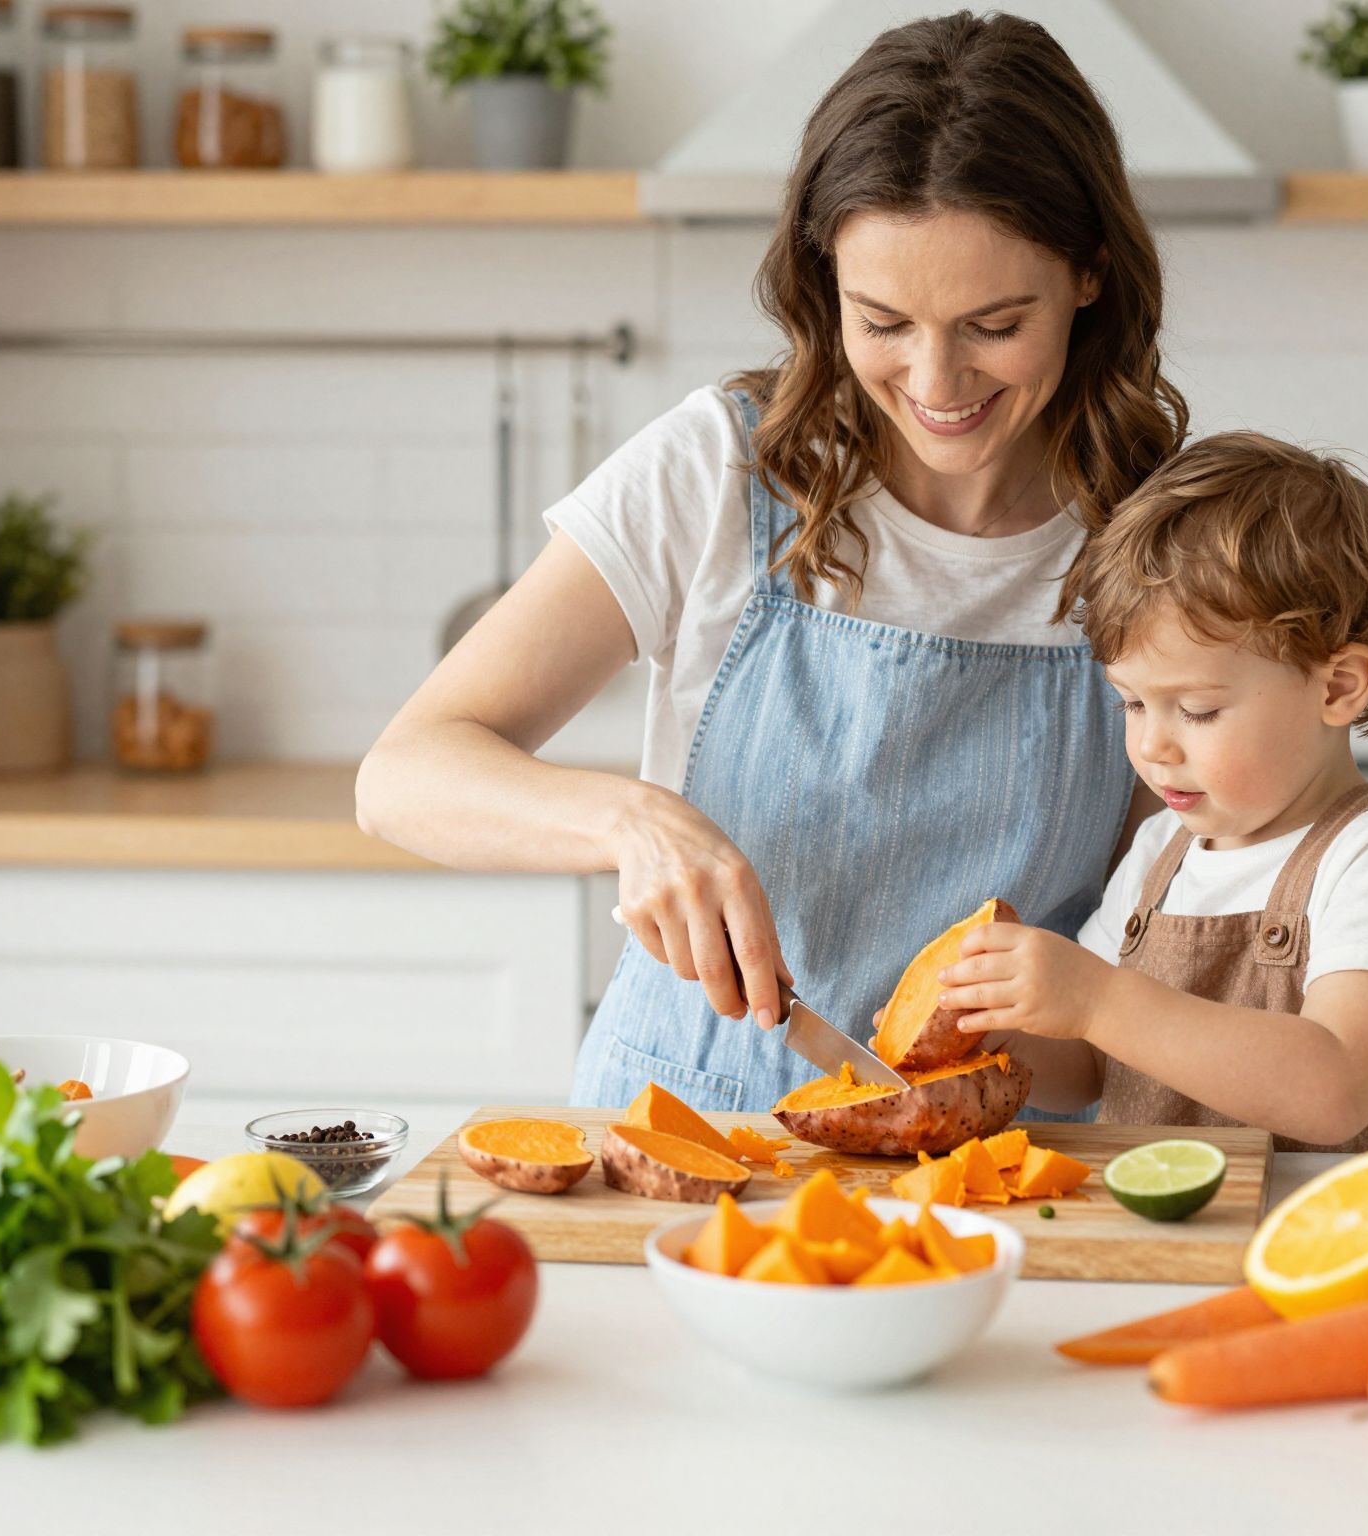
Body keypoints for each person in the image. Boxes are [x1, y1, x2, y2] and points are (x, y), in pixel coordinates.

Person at [356, 12, 1186, 1111]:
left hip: (1000, 1168)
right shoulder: (719, 470)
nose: (934, 379)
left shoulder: (1157, 534)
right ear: (820, 278)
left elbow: (1159, 934)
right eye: (880, 320)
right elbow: (402, 776)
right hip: (691, 1142)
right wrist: (631, 822)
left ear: (1087, 275)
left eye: (992, 323)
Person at [936, 432, 1368, 1150]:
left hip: (1320, 1249)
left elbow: (1334, 1089)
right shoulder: (1166, 851)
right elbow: (1090, 1070)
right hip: (1163, 1248)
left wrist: (1097, 997)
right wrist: (1009, 1020)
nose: (1152, 746)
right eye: (1132, 704)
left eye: (1196, 711)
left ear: (1339, 686)